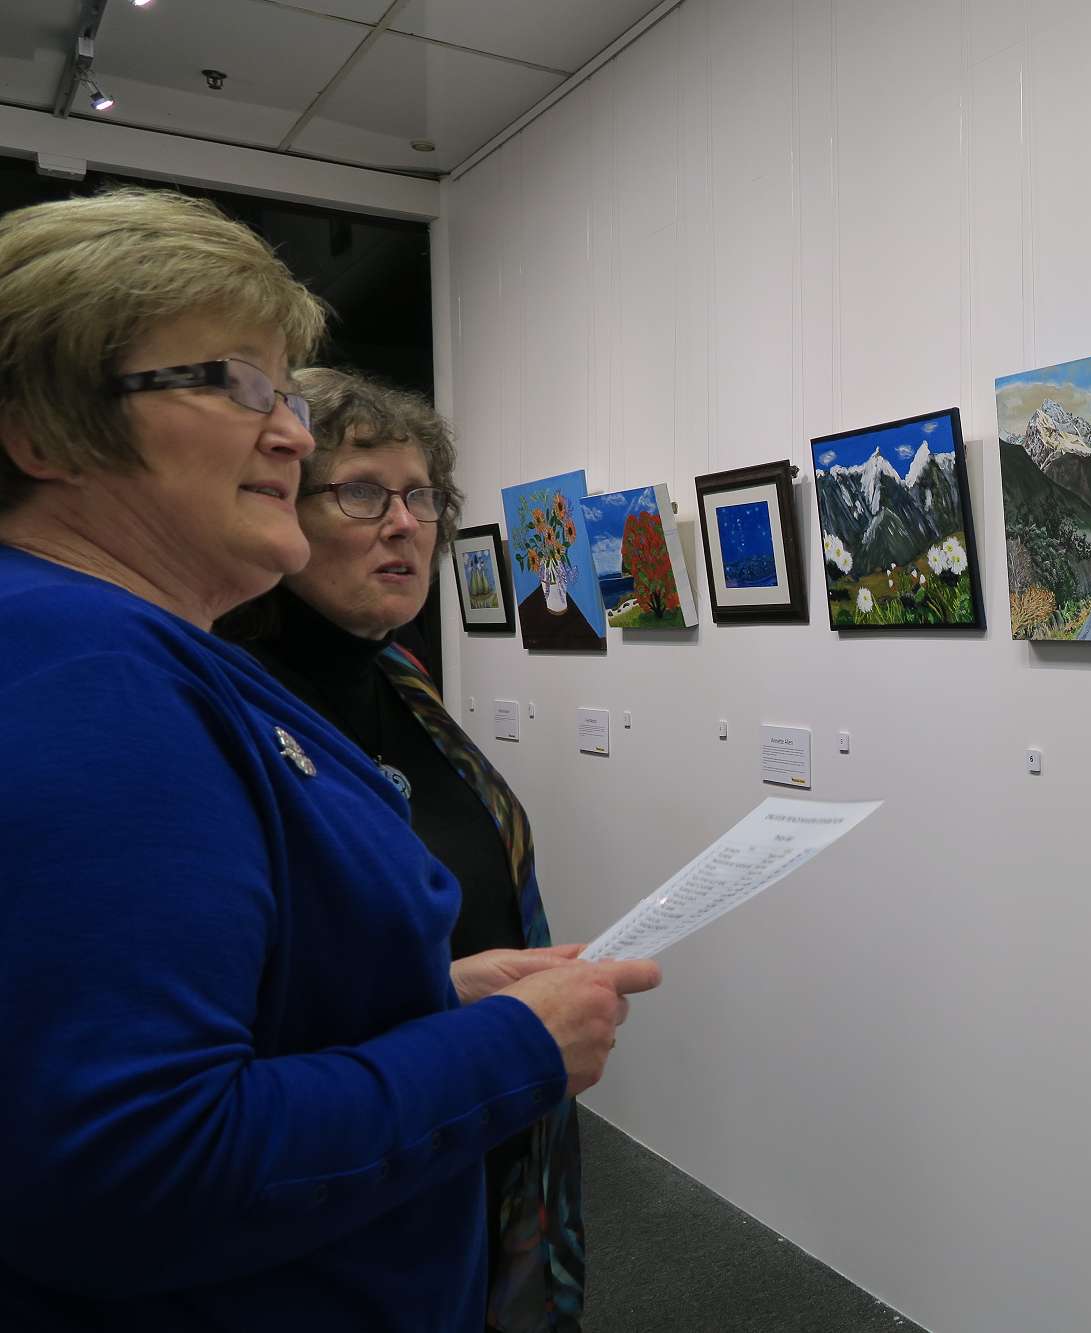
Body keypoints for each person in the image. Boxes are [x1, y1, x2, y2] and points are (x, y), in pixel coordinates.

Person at [0, 188, 660, 1332]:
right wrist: (511, 1047)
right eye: (234, 382)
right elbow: (138, 1167)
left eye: (286, 393)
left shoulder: (142, 655)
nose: (292, 434)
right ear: (45, 435)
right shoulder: (91, 671)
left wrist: (433, 993)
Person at [221, 368, 587, 1331]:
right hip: (338, 1183)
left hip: (478, 1119)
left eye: (422, 496)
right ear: (274, 503)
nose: (405, 524)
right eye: (361, 492)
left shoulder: (402, 680)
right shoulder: (226, 702)